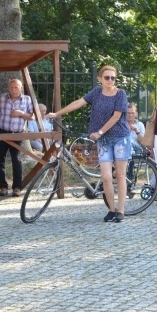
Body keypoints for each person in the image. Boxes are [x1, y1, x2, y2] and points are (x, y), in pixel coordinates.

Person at [46, 65, 131, 222]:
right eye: (107, 77)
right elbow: (78, 102)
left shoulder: (120, 94)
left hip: (120, 138)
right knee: (106, 177)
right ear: (100, 79)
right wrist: (57, 114)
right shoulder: (96, 93)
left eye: (113, 77)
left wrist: (99, 132)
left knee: (119, 175)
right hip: (104, 141)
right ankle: (111, 210)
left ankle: (121, 210)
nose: (110, 80)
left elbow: (116, 117)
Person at [0, 78, 33, 197]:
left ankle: (17, 187)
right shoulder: (2, 97)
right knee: (0, 160)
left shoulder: (27, 99)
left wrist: (20, 113)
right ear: (8, 88)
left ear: (21, 88)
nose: (13, 90)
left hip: (17, 133)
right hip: (2, 131)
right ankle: (3, 187)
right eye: (11, 87)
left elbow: (32, 116)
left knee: (17, 160)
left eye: (16, 87)